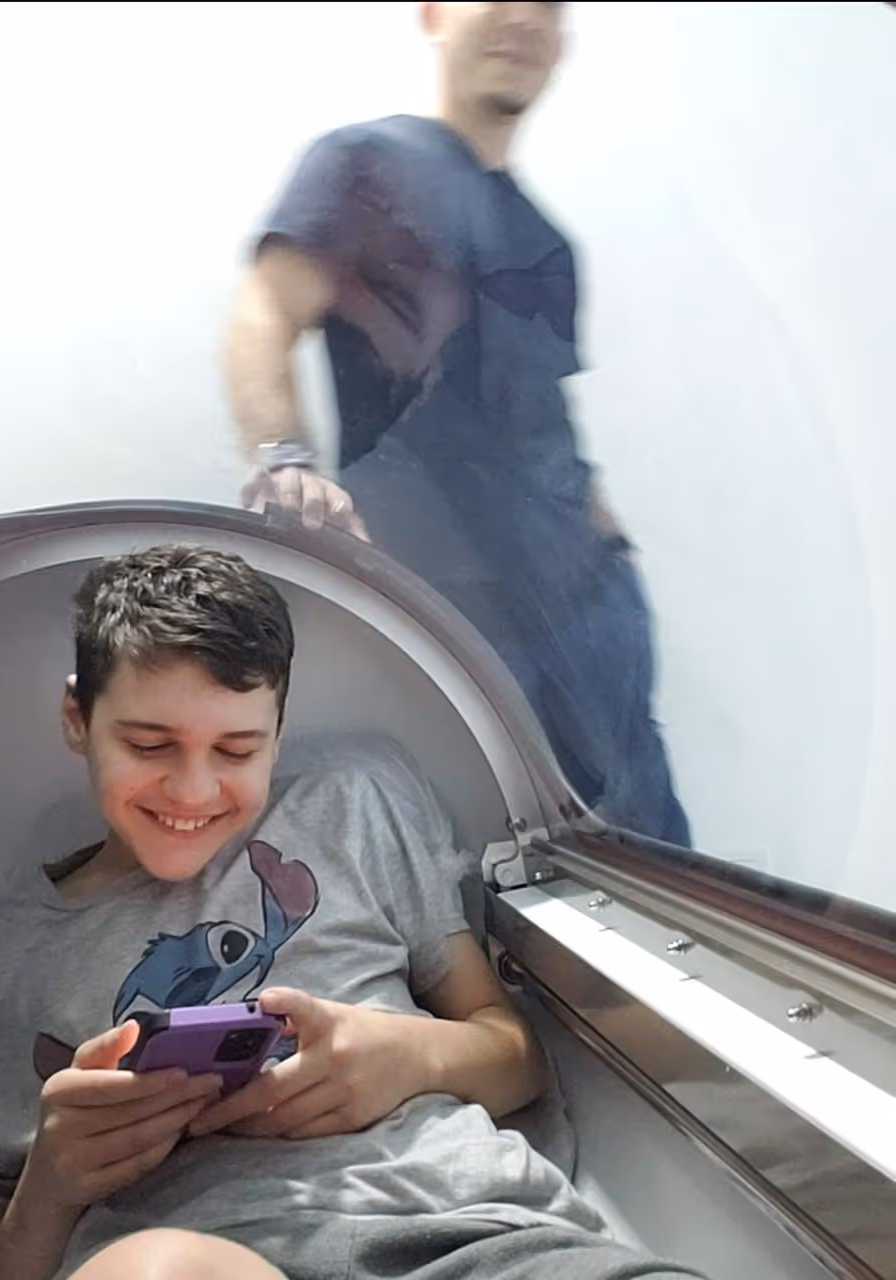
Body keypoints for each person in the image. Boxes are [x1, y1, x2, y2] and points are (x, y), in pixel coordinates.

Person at [0, 544, 705, 1280]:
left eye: (238, 751)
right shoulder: (5, 955)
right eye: (150, 745)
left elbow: (518, 1056)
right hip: (190, 1251)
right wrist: (52, 1184)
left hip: (466, 1232)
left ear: (279, 732)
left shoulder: (354, 799)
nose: (194, 791)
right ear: (78, 718)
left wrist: (405, 1057)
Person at [226, 1, 691, 847]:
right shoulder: (360, 163)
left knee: (659, 869)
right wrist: (286, 460)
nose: (523, 20)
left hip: (591, 611)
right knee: (491, 869)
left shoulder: (549, 239)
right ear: (435, 13)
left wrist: (609, 547)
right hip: (451, 600)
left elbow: (544, 414)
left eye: (548, 7)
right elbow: (264, 313)